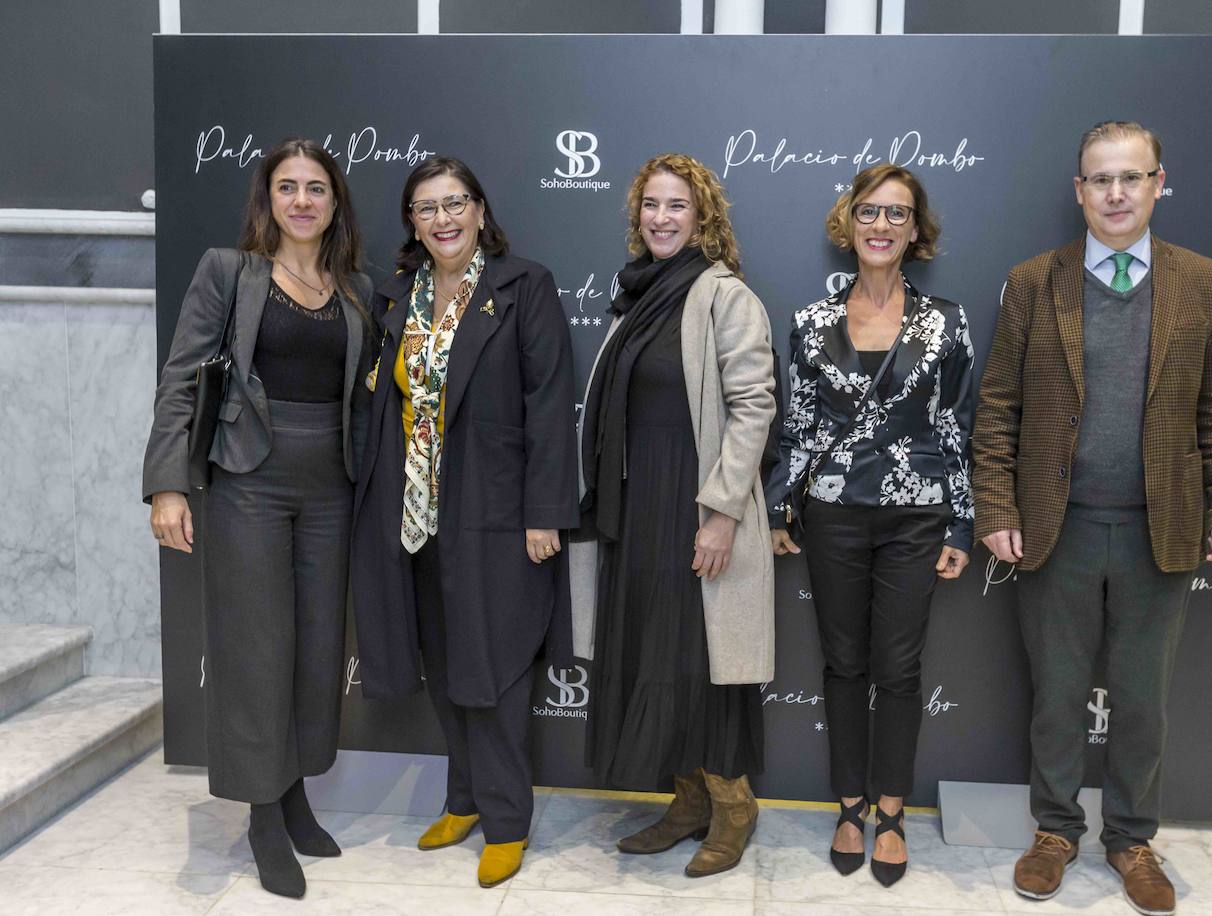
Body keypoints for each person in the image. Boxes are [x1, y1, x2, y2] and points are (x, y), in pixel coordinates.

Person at [971, 121, 1212, 916]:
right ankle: (1056, 832)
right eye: (1101, 179)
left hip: (1158, 529)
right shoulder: (1034, 281)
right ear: (1079, 191)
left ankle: (1130, 839)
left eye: (1132, 177)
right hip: (1053, 528)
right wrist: (996, 504)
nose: (1117, 193)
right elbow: (997, 409)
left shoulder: (1199, 280)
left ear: (1160, 182)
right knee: (1057, 694)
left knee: (1141, 699)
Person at [142, 138, 375, 898]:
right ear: (267, 199)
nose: (302, 200)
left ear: (335, 202)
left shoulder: (356, 289)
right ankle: (263, 818)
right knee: (255, 651)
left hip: (331, 491)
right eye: (287, 187)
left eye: (315, 188)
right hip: (248, 484)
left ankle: (296, 791)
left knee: (314, 651)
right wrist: (168, 485)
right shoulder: (229, 273)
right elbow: (182, 378)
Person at [350, 156, 578, 889]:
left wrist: (545, 512)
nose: (442, 219)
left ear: (481, 209)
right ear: (411, 222)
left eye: (455, 203)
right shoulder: (397, 297)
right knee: (447, 668)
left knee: (497, 669)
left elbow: (549, 403)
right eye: (426, 208)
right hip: (413, 515)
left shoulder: (521, 287)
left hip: (497, 515)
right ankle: (464, 799)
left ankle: (508, 819)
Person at [765, 162, 974, 886]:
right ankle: (848, 804)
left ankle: (892, 811)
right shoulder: (811, 323)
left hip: (917, 516)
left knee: (900, 667)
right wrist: (780, 506)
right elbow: (798, 426)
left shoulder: (946, 320)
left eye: (896, 214)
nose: (880, 226)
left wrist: (960, 526)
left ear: (915, 230)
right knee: (844, 663)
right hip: (833, 513)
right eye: (869, 213)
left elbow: (956, 427)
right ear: (848, 224)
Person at [575, 152, 775, 878]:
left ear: (703, 219)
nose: (661, 218)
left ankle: (734, 808)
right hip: (640, 511)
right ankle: (687, 800)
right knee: (655, 659)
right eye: (651, 205)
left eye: (677, 206)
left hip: (696, 508)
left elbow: (755, 406)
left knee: (704, 666)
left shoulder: (724, 297)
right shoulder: (638, 297)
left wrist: (721, 513)